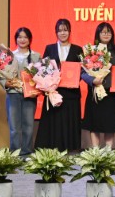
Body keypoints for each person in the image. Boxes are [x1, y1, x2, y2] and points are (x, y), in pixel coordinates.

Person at [35, 18, 84, 151]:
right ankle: (51, 148)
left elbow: (83, 70)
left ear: (70, 32)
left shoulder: (78, 49)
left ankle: (71, 148)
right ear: (56, 32)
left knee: (70, 121)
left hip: (71, 93)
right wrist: (49, 82)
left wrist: (74, 79)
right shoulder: (49, 48)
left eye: (65, 30)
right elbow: (43, 69)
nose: (63, 33)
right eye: (60, 30)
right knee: (53, 121)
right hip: (54, 92)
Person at [0, 27, 40, 156]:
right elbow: (0, 74)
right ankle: (15, 152)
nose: (22, 40)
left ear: (30, 39)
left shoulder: (36, 56)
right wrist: (6, 83)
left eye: (25, 37)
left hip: (30, 95)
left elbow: (42, 74)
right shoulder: (9, 56)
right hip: (13, 94)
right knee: (14, 126)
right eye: (20, 37)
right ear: (16, 39)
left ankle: (27, 152)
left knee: (28, 125)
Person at [81, 22, 115, 147]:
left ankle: (108, 151)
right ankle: (95, 151)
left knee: (110, 123)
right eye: (103, 32)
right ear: (98, 34)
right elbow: (83, 72)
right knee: (94, 123)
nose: (106, 34)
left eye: (108, 32)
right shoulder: (91, 51)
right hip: (94, 90)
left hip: (110, 92)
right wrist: (92, 80)